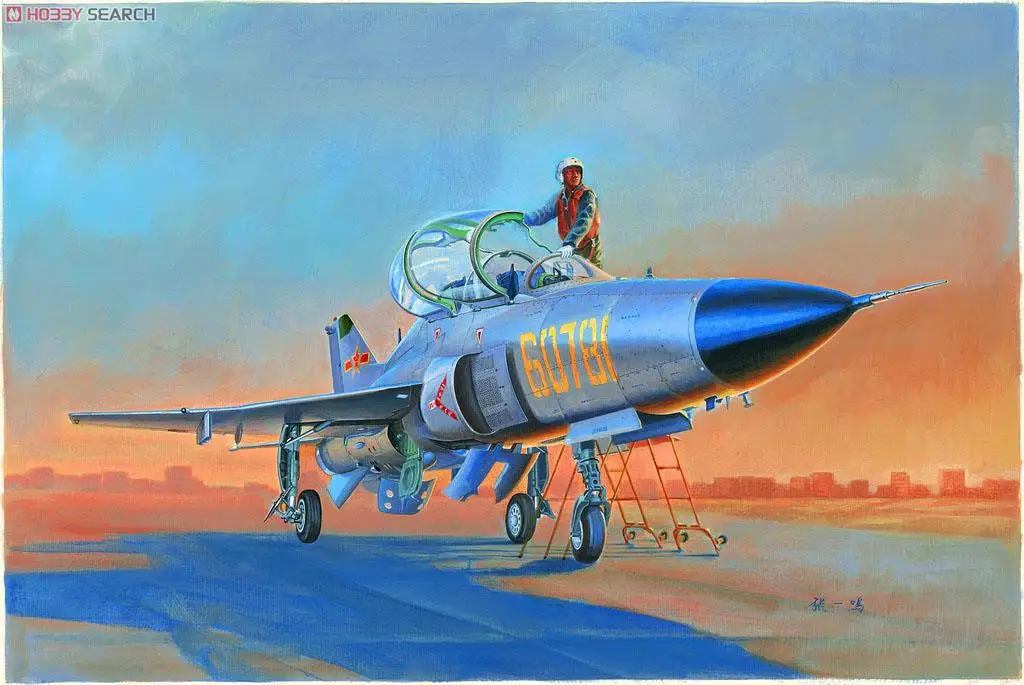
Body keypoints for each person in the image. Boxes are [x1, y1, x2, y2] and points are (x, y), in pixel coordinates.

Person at [523, 157, 603, 268]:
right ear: (561, 176)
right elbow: (544, 213)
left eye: (578, 171)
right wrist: (524, 219)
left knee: (593, 276)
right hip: (571, 249)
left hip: (588, 249)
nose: (575, 175)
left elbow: (584, 220)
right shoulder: (560, 197)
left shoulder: (587, 194)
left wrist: (570, 243)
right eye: (570, 171)